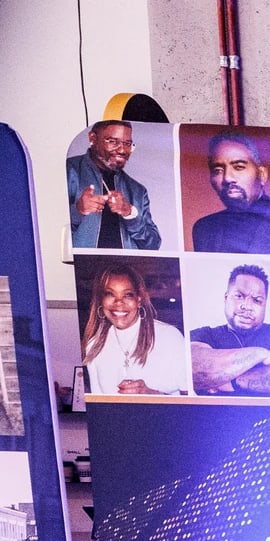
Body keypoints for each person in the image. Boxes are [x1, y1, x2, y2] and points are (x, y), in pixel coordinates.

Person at [188, 264, 270, 397]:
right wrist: (260, 354)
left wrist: (232, 382)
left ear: (265, 304)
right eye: (239, 296)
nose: (247, 306)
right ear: (226, 298)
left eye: (257, 300)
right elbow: (192, 370)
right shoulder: (204, 335)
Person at [80, 262, 191, 395]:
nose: (118, 302)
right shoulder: (94, 346)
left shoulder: (170, 337)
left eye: (127, 295)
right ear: (101, 300)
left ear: (139, 300)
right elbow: (99, 404)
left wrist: (151, 394)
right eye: (110, 294)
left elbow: (191, 401)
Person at [191, 130, 270, 255]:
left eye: (239, 167)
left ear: (262, 174)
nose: (227, 178)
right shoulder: (204, 229)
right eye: (218, 170)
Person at [67, 119, 160, 250]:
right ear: (93, 138)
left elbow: (153, 245)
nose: (122, 150)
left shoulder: (137, 190)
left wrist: (129, 213)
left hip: (125, 264)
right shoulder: (69, 171)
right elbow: (45, 231)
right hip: (81, 263)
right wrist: (78, 210)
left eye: (127, 143)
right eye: (113, 141)